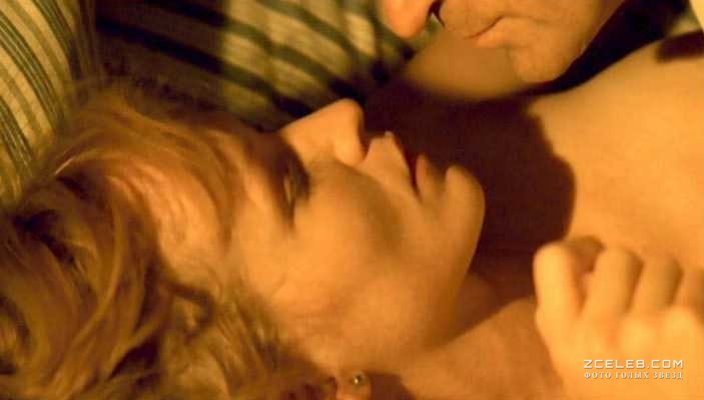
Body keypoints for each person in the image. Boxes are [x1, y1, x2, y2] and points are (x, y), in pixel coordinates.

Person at [0, 31, 702, 397]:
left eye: (268, 135)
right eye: (292, 184)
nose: (339, 117)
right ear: (303, 391)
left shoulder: (429, 136)